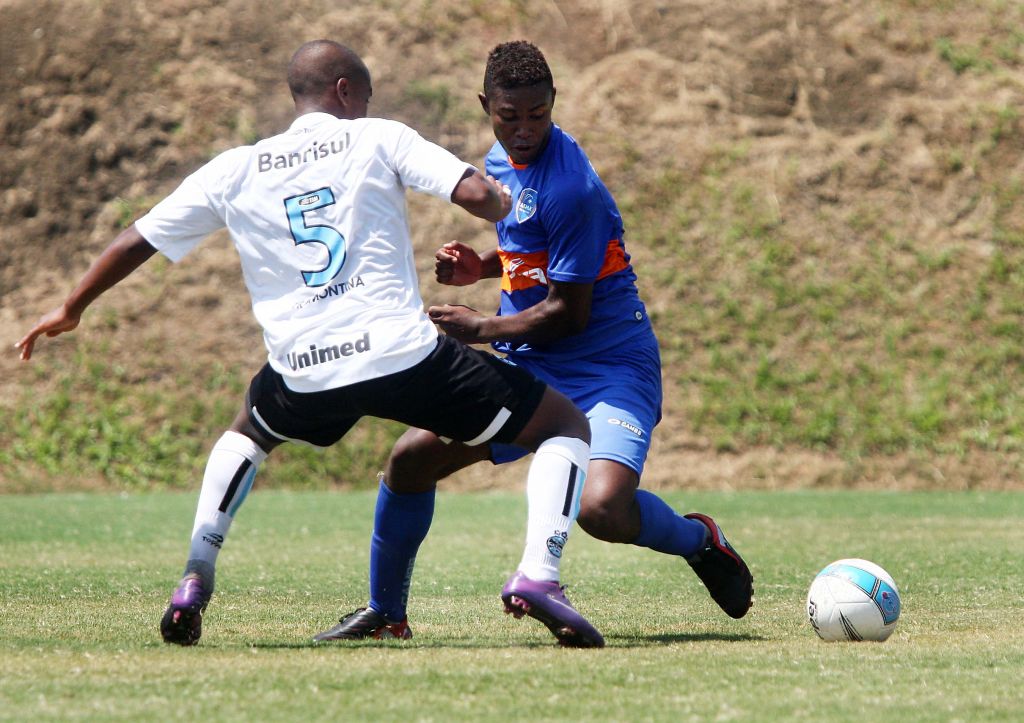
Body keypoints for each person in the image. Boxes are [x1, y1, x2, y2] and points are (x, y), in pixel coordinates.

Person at [16, 39, 605, 649]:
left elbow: (136, 239)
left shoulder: (235, 167)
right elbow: (480, 198)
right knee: (562, 425)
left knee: (250, 428)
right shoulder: (379, 135)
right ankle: (539, 573)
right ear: (347, 91)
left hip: (303, 367)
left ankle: (197, 571)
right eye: (366, 96)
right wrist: (508, 199)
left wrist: (71, 307)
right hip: (401, 353)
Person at [329, 40, 753, 641]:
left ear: (553, 103)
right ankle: (384, 613)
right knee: (411, 460)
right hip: (532, 360)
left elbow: (567, 312)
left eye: (537, 115)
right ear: (486, 106)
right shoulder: (498, 165)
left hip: (606, 362)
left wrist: (482, 328)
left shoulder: (571, 187)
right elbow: (530, 252)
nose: (523, 130)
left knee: (602, 511)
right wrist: (482, 267)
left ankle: (699, 541)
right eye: (509, 117)